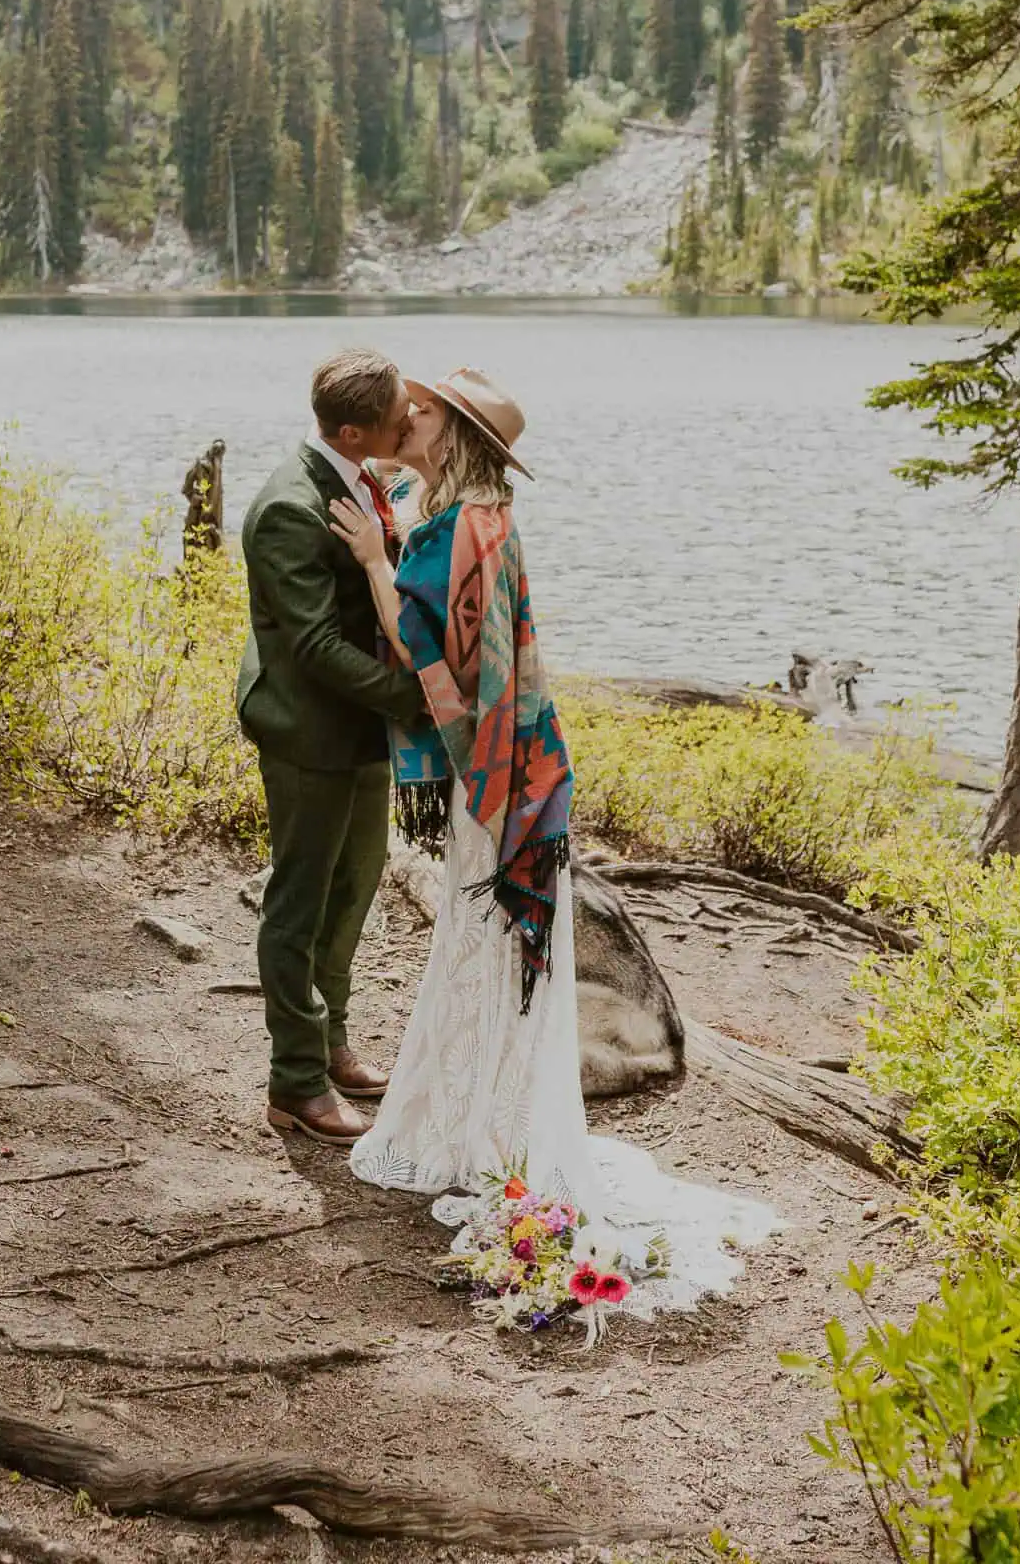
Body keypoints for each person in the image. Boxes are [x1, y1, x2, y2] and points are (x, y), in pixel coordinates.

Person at [329, 366, 779, 1316]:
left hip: (493, 775)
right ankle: (483, 1123)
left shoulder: (463, 528)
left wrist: (375, 558)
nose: (406, 418)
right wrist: (397, 524)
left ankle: (486, 1134)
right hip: (519, 763)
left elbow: (423, 648)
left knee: (483, 942)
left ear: (451, 436)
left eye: (423, 413)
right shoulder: (474, 516)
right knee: (481, 945)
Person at [237, 348, 428, 1148]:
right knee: (300, 900)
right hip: (308, 728)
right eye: (396, 416)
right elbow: (314, 644)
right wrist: (423, 701)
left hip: (360, 727)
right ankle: (295, 1082)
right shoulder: (289, 506)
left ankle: (333, 1039)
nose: (409, 421)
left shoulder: (362, 478)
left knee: (353, 889)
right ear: (353, 431)